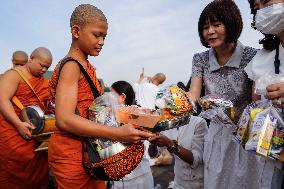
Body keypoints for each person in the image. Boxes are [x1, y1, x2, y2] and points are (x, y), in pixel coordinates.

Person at [47, 4, 154, 189]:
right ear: (76, 31)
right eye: (97, 35)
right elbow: (63, 119)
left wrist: (137, 117)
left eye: (104, 37)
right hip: (71, 152)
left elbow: (95, 110)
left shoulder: (86, 66)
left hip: (90, 150)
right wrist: (118, 133)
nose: (102, 41)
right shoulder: (71, 66)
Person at [188, 1, 261, 189]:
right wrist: (172, 103)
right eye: (205, 27)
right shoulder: (200, 59)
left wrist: (237, 118)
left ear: (231, 24)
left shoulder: (253, 56)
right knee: (216, 181)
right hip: (217, 134)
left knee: (246, 181)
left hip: (244, 134)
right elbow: (193, 95)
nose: (210, 31)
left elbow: (256, 105)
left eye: (216, 25)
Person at [0, 47, 53, 189]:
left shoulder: (43, 81)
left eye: (47, 67)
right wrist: (18, 124)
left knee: (38, 171)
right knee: (13, 168)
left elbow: (46, 103)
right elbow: (2, 100)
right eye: (42, 65)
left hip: (36, 133)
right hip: (12, 130)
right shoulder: (13, 75)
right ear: (31, 59)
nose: (43, 70)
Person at [245, 0, 284, 188]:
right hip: (274, 157)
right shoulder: (260, 60)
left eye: (267, 1)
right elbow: (255, 107)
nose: (261, 10)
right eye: (256, 7)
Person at [110, 81, 154, 189]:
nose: (108, 99)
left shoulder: (136, 113)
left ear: (122, 97)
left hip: (138, 178)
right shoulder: (111, 114)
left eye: (111, 95)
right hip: (123, 177)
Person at [149, 116, 208, 189]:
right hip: (178, 181)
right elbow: (154, 155)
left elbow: (195, 160)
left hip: (197, 183)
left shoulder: (198, 123)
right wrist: (153, 143)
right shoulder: (166, 123)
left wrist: (169, 144)